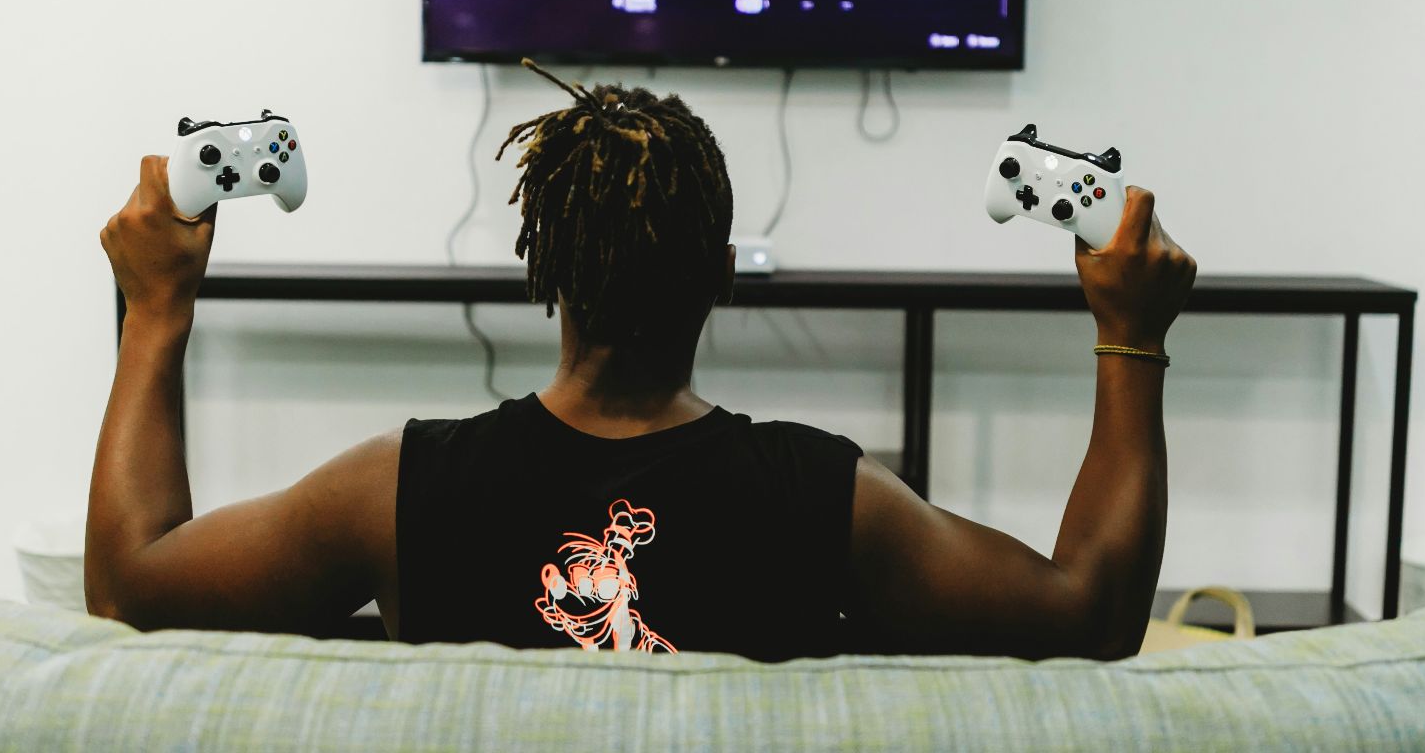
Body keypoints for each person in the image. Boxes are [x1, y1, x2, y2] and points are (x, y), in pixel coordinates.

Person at [88, 62, 1196, 661]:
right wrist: (1131, 337)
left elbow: (129, 590)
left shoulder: (392, 489)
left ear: (543, 269)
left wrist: (154, 307)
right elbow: (1092, 615)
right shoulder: (831, 500)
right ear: (721, 275)